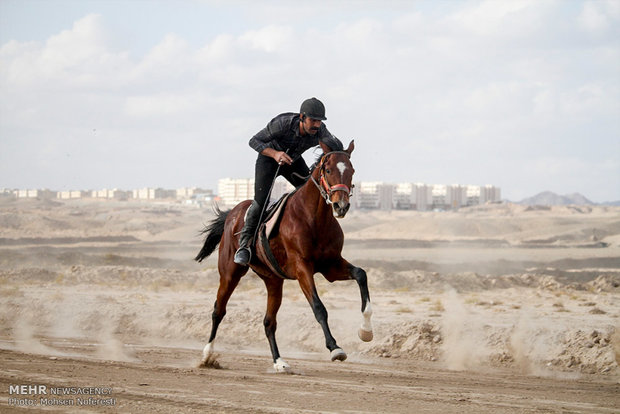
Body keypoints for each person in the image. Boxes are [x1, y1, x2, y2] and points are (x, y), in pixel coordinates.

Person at [233, 97, 343, 266]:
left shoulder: (321, 130)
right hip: (269, 160)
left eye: (319, 121)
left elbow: (334, 148)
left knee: (311, 193)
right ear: (302, 117)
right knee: (261, 202)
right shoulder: (283, 123)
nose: (316, 125)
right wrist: (276, 154)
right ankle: (245, 245)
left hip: (292, 161)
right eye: (313, 120)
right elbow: (253, 141)